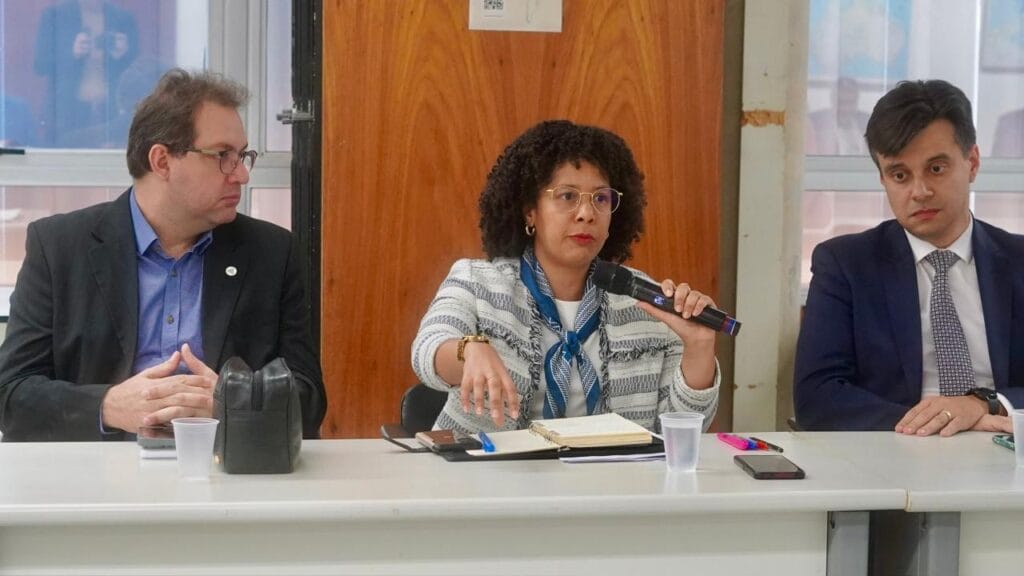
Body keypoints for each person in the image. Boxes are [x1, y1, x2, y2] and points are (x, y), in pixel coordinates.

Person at [0, 68, 326, 441]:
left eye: (242, 156)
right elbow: (11, 394)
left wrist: (233, 403)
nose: (241, 175)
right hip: (98, 467)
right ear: (162, 161)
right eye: (223, 155)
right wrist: (108, 406)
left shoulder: (271, 253)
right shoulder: (59, 247)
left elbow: (310, 401)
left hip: (222, 464)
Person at [411, 120, 720, 434]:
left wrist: (698, 347)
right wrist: (468, 349)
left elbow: (682, 428)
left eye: (601, 198)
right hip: (492, 464)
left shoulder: (645, 300)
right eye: (567, 196)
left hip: (613, 467)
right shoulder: (477, 281)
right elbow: (427, 349)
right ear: (530, 211)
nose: (587, 213)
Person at [794, 79, 1024, 435]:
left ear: (972, 163)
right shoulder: (846, 264)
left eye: (936, 168)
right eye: (900, 175)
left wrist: (985, 404)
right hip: (896, 451)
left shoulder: (1018, 260)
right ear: (883, 178)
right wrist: (937, 423)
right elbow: (817, 398)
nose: (920, 191)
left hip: (1007, 448)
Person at [32, 0, 139, 147]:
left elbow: (137, 67)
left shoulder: (122, 17)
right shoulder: (56, 15)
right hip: (67, 112)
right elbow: (40, 65)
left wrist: (123, 54)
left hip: (111, 111)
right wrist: (71, 52)